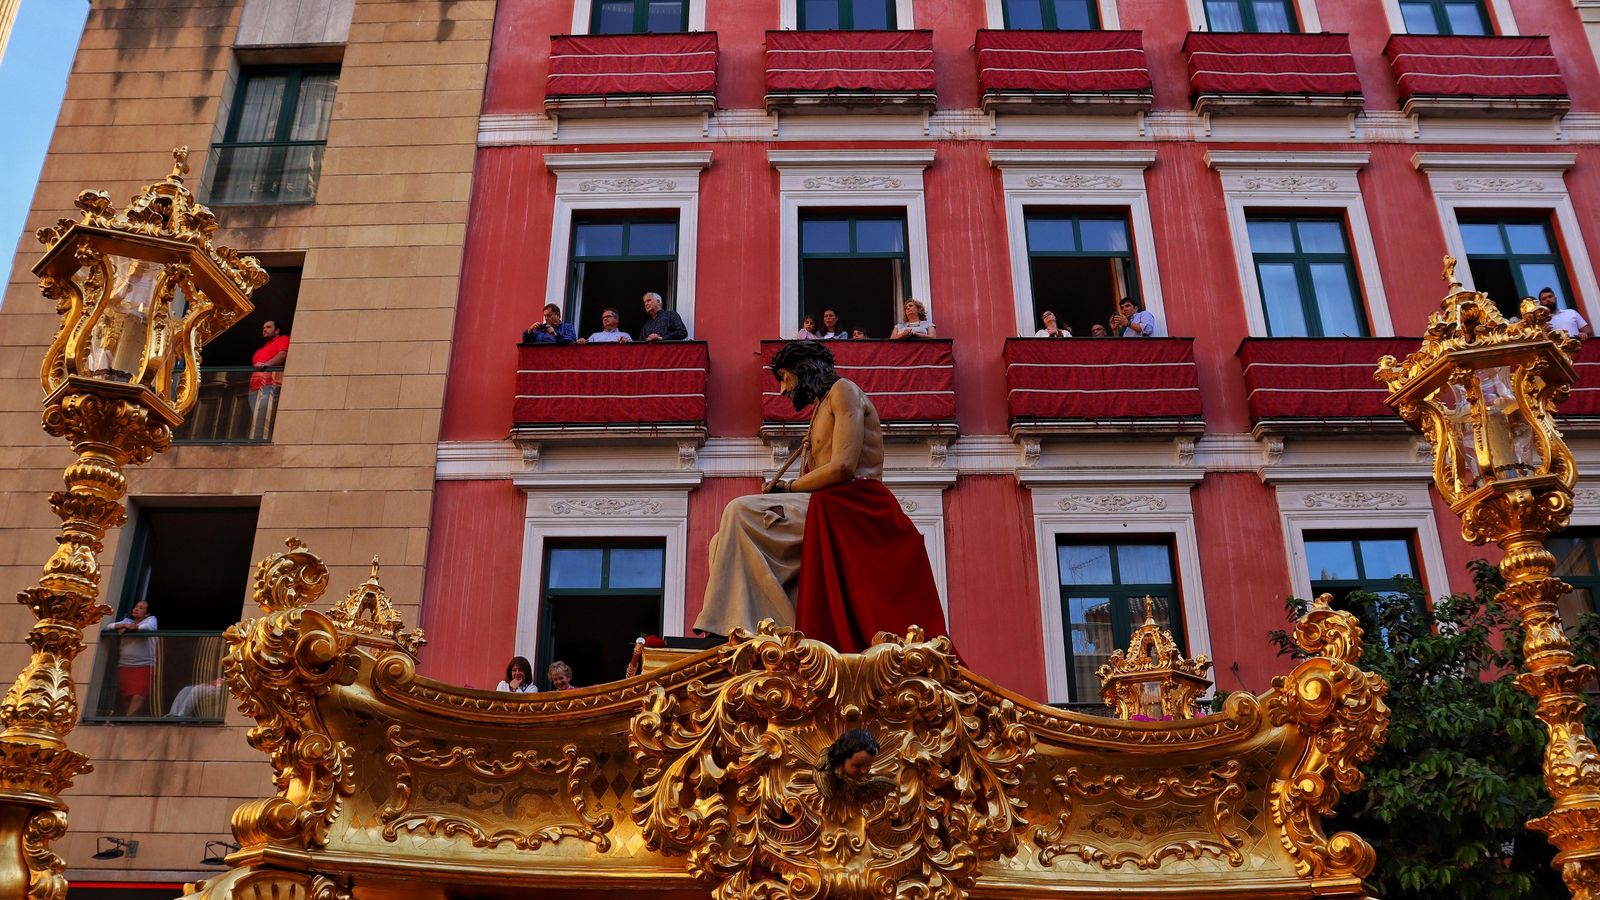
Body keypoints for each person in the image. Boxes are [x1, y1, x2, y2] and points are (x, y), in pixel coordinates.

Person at [694, 341, 950, 653]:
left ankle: (740, 629)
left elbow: (843, 467)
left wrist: (788, 488)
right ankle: (768, 629)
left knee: (739, 511)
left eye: (785, 378)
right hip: (827, 505)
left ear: (803, 371)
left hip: (853, 505)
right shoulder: (822, 406)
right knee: (720, 541)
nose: (783, 391)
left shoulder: (844, 391)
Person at [110, 599, 158, 716]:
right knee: (127, 696)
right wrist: (125, 625)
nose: (136, 609)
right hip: (125, 665)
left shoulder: (151, 620)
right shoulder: (127, 621)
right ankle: (128, 720)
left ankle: (125, 721)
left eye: (141, 608)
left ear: (147, 613)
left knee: (139, 695)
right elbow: (108, 626)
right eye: (136, 607)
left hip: (144, 665)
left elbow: (146, 628)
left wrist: (132, 627)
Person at [249, 320, 289, 440]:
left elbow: (282, 355)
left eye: (268, 327)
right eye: (263, 328)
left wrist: (266, 364)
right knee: (256, 416)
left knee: (264, 415)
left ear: (277, 330)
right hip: (254, 387)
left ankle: (260, 440)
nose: (264, 329)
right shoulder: (260, 350)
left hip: (270, 383)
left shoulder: (283, 339)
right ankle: (256, 439)